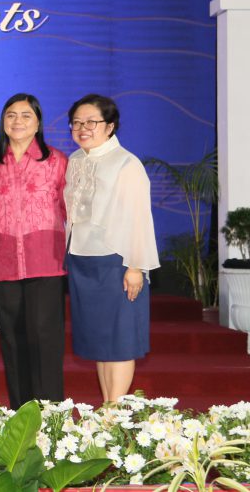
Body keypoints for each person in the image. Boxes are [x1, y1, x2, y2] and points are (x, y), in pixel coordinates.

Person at [0, 93, 68, 410]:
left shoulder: (56, 161)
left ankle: (51, 415)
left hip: (47, 261)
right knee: (12, 341)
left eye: (26, 115)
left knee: (45, 339)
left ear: (38, 122)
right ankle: (21, 413)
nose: (17, 121)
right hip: (3, 262)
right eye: (11, 115)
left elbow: (71, 209)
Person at [64, 94, 159, 403]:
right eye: (77, 123)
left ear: (110, 126)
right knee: (100, 343)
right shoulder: (75, 160)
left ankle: (113, 412)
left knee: (119, 341)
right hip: (81, 260)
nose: (83, 128)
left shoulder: (126, 163)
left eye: (91, 122)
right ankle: (108, 404)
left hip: (116, 261)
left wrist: (135, 266)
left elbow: (138, 218)